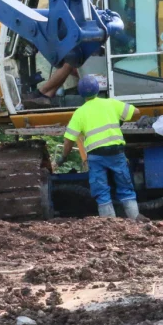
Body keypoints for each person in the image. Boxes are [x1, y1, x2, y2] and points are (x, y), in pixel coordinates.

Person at [55, 74, 141, 219]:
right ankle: (135, 219)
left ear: (80, 93)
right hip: (116, 153)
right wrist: (120, 120)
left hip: (96, 156)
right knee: (125, 188)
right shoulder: (111, 103)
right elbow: (137, 112)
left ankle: (110, 227)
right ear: (98, 89)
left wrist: (62, 158)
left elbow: (69, 140)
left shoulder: (79, 113)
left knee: (101, 192)